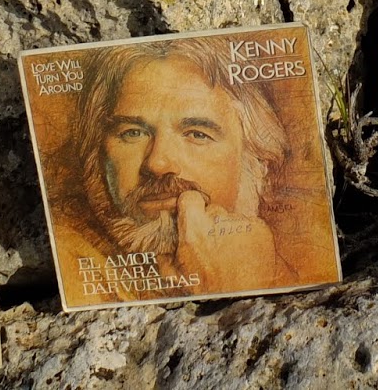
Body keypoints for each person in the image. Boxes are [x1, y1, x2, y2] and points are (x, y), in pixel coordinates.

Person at [47, 38, 335, 298]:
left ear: (257, 163)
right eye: (133, 133)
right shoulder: (72, 267)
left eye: (197, 134)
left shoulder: (300, 281)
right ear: (97, 156)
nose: (158, 164)